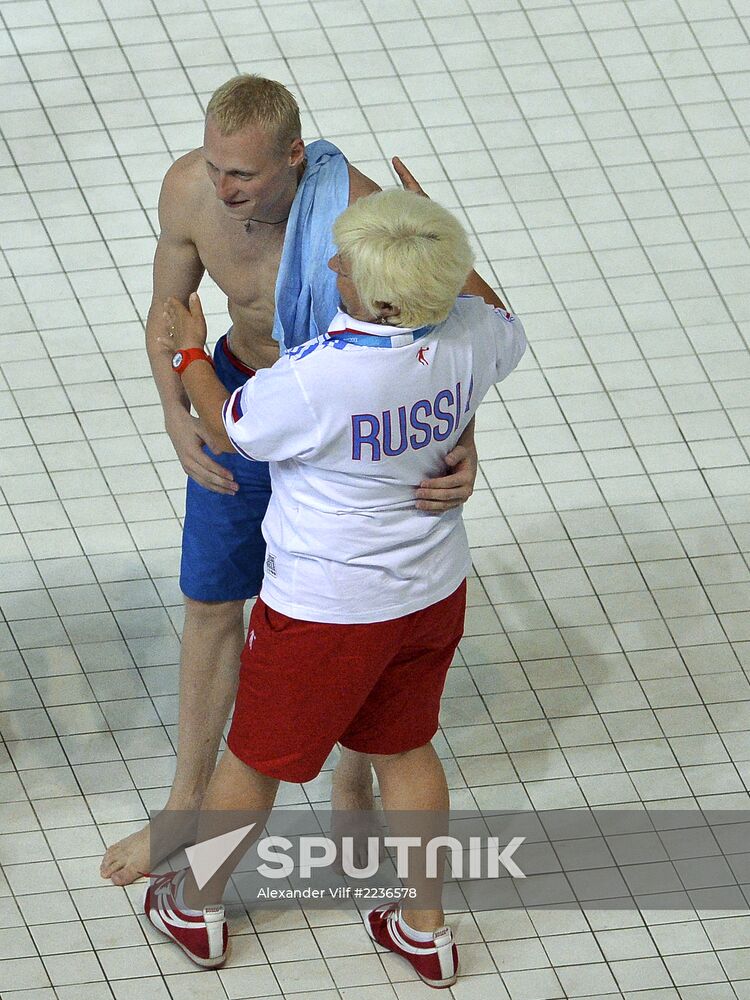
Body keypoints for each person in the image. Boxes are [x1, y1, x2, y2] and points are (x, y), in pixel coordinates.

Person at [99, 75, 479, 887]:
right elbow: (170, 312)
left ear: (296, 158)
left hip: (332, 430)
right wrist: (176, 415)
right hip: (239, 400)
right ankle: (184, 807)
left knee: (350, 614)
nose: (224, 190)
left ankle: (355, 795)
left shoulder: (355, 208)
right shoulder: (188, 192)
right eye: (214, 167)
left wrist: (462, 440)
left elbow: (435, 326)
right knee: (211, 602)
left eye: (243, 175)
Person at [143, 188, 527, 987]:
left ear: (375, 294)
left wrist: (188, 352)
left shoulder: (321, 377)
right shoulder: (469, 337)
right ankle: (426, 931)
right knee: (407, 748)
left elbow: (229, 427)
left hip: (326, 609)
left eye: (345, 262)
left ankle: (197, 906)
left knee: (253, 760)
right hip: (429, 594)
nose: (328, 264)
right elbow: (496, 308)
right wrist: (432, 237)